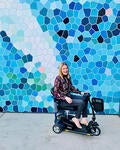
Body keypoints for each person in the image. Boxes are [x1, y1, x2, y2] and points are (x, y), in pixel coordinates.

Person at [53, 62, 89, 129]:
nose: (65, 70)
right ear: (61, 70)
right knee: (81, 102)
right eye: (63, 68)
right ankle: (76, 118)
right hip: (62, 101)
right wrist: (65, 97)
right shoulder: (58, 78)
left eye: (66, 68)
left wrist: (81, 92)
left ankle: (84, 119)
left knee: (85, 98)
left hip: (69, 97)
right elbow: (55, 92)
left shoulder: (68, 77)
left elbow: (71, 88)